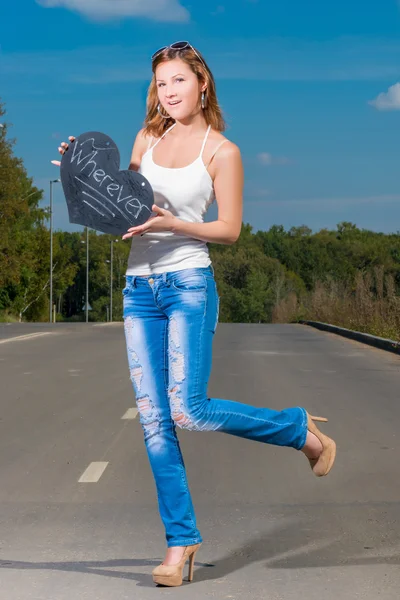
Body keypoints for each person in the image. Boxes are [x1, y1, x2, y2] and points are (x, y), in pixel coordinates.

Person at [54, 40, 336, 588]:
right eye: (160, 84)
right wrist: (80, 177)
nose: (169, 92)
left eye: (178, 81)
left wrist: (172, 225)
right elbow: (124, 207)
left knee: (188, 409)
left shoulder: (221, 151)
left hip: (188, 284)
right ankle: (181, 542)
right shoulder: (145, 139)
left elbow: (228, 229)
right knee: (155, 423)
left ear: (201, 83)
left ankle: (298, 428)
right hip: (139, 288)